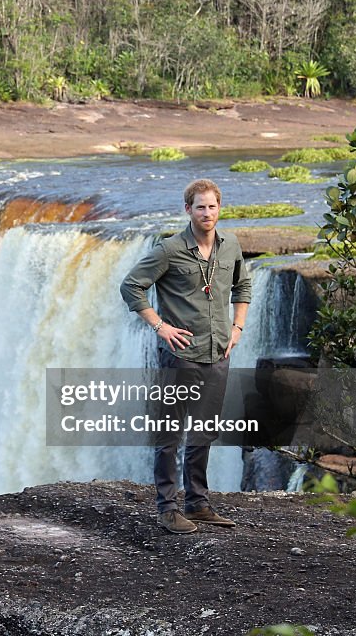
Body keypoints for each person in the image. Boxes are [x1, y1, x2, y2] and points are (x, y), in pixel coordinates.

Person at [119, 179, 251, 534]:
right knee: (170, 432)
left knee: (204, 431)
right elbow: (131, 286)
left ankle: (198, 503)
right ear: (188, 209)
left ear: (219, 208)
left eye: (212, 206)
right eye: (200, 206)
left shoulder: (231, 246)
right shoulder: (169, 250)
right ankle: (167, 507)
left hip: (218, 352)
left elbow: (243, 286)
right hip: (180, 356)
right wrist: (159, 326)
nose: (206, 213)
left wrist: (237, 329)